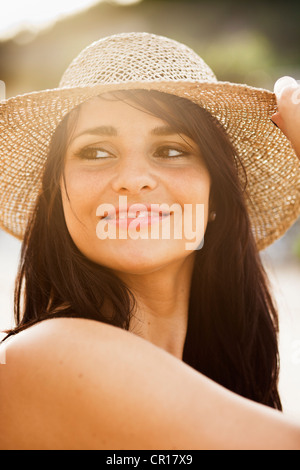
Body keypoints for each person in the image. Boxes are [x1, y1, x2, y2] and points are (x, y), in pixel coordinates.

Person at [0, 32, 299, 450]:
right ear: (55, 198)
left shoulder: (222, 378)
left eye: (172, 150)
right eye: (96, 152)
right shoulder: (44, 356)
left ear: (216, 196)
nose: (133, 179)